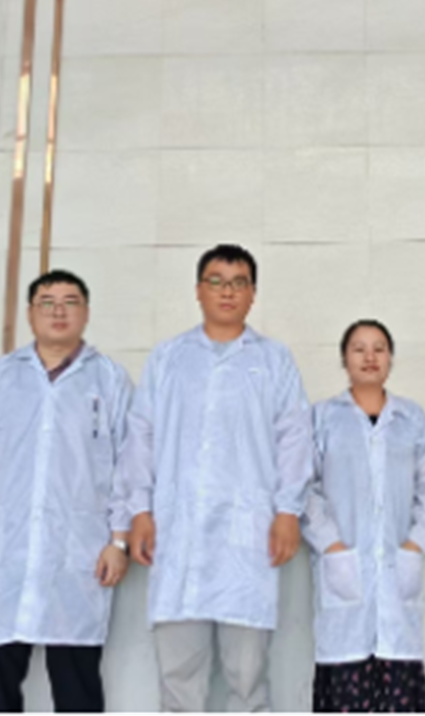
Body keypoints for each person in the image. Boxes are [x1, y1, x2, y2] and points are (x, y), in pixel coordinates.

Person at [121, 243, 313, 712]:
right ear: (198, 290)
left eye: (238, 283)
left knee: (248, 680)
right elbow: (141, 435)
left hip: (247, 538)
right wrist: (140, 510)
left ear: (252, 294)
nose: (227, 292)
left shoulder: (274, 360)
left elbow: (294, 437)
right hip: (177, 537)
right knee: (178, 681)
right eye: (216, 281)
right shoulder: (169, 358)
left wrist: (288, 511)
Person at [0, 269, 134, 713]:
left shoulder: (110, 380)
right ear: (30, 313)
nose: (58, 311)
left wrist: (119, 540)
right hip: (2, 556)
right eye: (47, 302)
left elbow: (130, 467)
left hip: (78, 557)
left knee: (78, 690)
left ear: (86, 312)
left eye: (70, 301)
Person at [302, 320, 425, 713]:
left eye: (379, 348)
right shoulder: (322, 418)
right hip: (343, 575)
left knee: (399, 684)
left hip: (398, 578)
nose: (370, 357)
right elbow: (304, 488)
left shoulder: (411, 418)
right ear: (344, 359)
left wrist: (415, 544)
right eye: (359, 349)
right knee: (345, 685)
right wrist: (332, 546)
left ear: (390, 358)